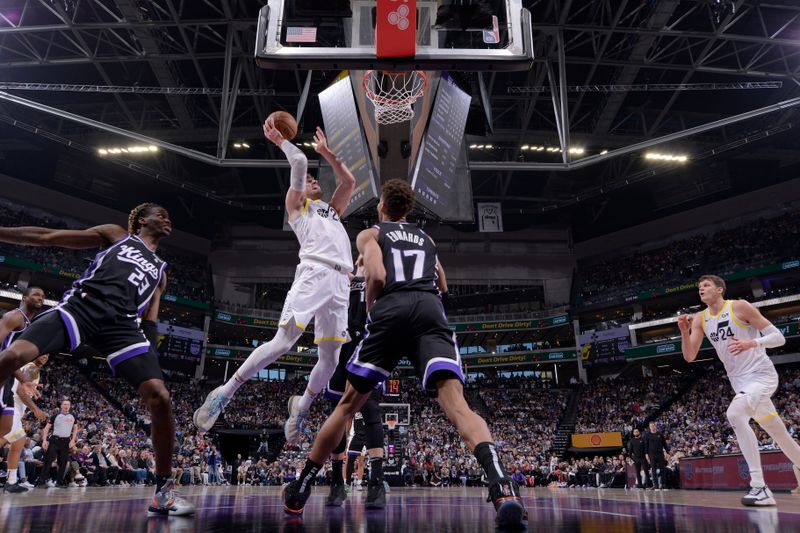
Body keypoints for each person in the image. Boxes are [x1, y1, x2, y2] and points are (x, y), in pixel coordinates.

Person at [283, 179, 528, 529]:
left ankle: (301, 488)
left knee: (348, 405)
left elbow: (378, 276)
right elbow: (443, 284)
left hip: (390, 309)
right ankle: (503, 487)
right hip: (429, 309)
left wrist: (372, 310)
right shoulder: (427, 239)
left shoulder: (370, 235)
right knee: (458, 405)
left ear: (382, 206)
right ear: (408, 210)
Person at [0, 204, 193, 515]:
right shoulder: (117, 235)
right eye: (161, 213)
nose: (167, 217)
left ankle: (164, 491)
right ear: (142, 220)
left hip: (123, 327)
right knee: (11, 356)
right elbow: (49, 236)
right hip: (82, 308)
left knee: (160, 397)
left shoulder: (161, 271)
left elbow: (150, 319)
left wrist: (151, 361)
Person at [195, 119, 356, 443]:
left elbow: (349, 181)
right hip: (314, 272)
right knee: (284, 342)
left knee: (331, 359)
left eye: (314, 178)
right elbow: (298, 161)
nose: (311, 179)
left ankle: (301, 406)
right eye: (307, 180)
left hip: (341, 284)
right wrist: (280, 140)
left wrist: (328, 154)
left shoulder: (331, 212)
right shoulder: (297, 207)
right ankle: (225, 393)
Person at [680, 275, 800, 505]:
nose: (701, 289)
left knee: (734, 414)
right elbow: (689, 356)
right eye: (699, 287)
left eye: (706, 286)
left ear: (719, 289)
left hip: (761, 376)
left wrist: (752, 343)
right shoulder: (700, 318)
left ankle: (759, 486)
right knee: (779, 434)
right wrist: (684, 332)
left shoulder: (739, 306)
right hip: (740, 382)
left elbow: (779, 338)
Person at [323, 255, 387, 508]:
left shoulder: (378, 279)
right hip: (340, 348)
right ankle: (337, 481)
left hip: (366, 350)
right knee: (337, 415)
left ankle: (376, 482)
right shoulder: (341, 277)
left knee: (371, 413)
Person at [0, 287, 48, 493]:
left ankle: (11, 480)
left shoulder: (29, 325)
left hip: (8, 378)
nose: (40, 298)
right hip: (2, 379)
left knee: (7, 431)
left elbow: (12, 360)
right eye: (36, 294)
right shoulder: (14, 316)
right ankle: (10, 480)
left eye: (43, 297)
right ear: (24, 298)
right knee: (10, 434)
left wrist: (23, 380)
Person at [40, 399, 78, 488]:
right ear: (61, 406)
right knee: (48, 461)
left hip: (66, 442)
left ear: (70, 406)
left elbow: (75, 428)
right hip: (54, 440)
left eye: (68, 404)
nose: (66, 406)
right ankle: (41, 482)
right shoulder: (55, 416)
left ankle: (59, 482)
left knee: (63, 463)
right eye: (64, 404)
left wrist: (73, 440)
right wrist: (44, 440)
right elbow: (46, 429)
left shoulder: (72, 417)